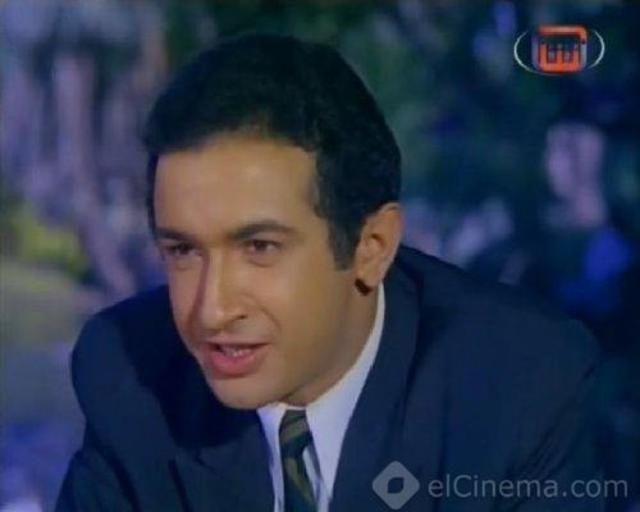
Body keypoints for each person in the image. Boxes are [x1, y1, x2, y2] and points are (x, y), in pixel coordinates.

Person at [56, 34, 604, 512]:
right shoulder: (127, 375)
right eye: (183, 250)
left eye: (260, 247)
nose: (212, 310)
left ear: (372, 247)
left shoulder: (522, 386)